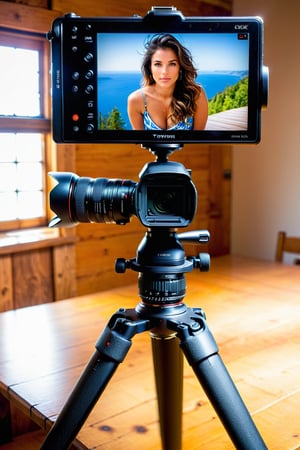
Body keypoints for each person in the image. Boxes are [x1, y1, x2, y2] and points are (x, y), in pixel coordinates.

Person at [127, 33, 208, 131]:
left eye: (172, 64)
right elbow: (140, 143)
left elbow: (197, 142)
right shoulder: (135, 101)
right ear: (150, 67)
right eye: (158, 64)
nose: (164, 72)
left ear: (180, 67)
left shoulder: (196, 95)